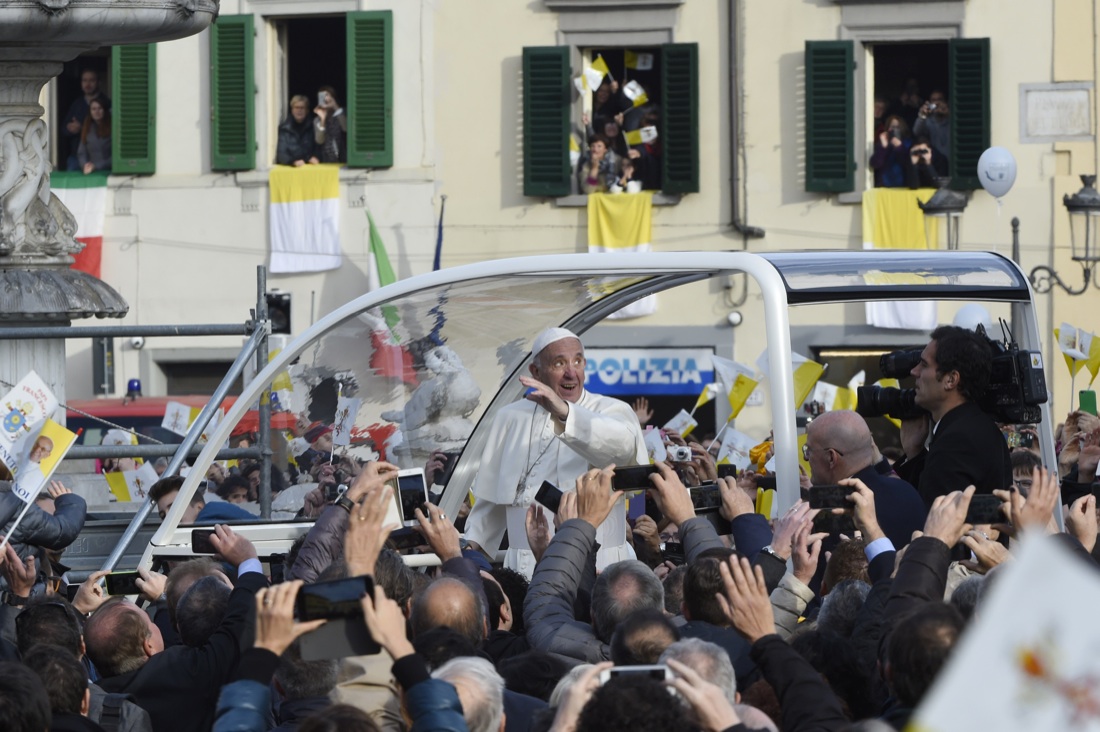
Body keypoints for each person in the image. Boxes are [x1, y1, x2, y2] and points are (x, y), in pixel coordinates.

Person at [464, 327, 647, 576]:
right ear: (536, 371)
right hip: (525, 564)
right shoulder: (510, 417)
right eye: (559, 363)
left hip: (601, 561)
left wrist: (564, 413)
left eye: (577, 361)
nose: (571, 372)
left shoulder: (612, 410)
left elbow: (622, 449)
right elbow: (491, 501)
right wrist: (469, 549)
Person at [895, 325, 1012, 505]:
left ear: (951, 380)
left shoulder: (957, 441)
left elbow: (933, 516)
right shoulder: (975, 427)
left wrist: (879, 464)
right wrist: (914, 454)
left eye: (924, 365)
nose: (914, 371)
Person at [804, 410, 927, 548]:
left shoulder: (836, 515)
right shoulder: (907, 490)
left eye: (809, 450)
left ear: (831, 458)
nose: (805, 457)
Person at [148, 476, 255, 525]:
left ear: (199, 508)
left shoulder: (209, 525)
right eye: (163, 516)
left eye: (173, 508)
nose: (167, 518)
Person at [63, 69, 110, 172]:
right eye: (85, 80)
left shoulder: (106, 103)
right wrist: (70, 128)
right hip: (77, 157)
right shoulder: (76, 104)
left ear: (98, 82)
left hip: (102, 160)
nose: (88, 84)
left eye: (91, 80)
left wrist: (81, 128)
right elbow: (64, 129)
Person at [277, 95, 320, 166]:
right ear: (292, 110)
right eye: (296, 107)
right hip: (292, 169)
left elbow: (319, 147)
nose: (299, 110)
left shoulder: (314, 127)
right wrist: (293, 162)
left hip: (311, 167)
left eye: (302, 108)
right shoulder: (284, 129)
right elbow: (281, 153)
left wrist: (316, 157)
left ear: (307, 110)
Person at [870, 115, 912, 188]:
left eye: (897, 127)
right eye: (892, 127)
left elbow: (908, 164)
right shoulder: (883, 143)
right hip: (884, 186)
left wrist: (899, 147)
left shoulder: (908, 143)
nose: (894, 130)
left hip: (903, 187)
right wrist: (883, 147)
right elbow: (875, 164)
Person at [913, 90, 950, 162]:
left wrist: (948, 114)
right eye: (933, 100)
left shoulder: (951, 118)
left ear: (945, 102)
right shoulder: (928, 121)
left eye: (939, 99)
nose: (936, 103)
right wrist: (922, 116)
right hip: (935, 161)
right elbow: (916, 131)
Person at [77, 98, 111, 174]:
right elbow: (81, 152)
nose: (97, 111)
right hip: (91, 171)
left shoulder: (112, 128)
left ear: (104, 110)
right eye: (93, 109)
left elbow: (115, 157)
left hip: (108, 171)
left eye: (99, 108)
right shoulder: (87, 128)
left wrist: (97, 166)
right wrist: (85, 165)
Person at [313, 87, 346, 164]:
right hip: (326, 161)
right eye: (322, 96)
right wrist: (323, 119)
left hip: (343, 159)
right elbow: (319, 140)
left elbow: (346, 128)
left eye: (327, 95)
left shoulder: (341, 113)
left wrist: (335, 107)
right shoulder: (317, 119)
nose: (325, 99)